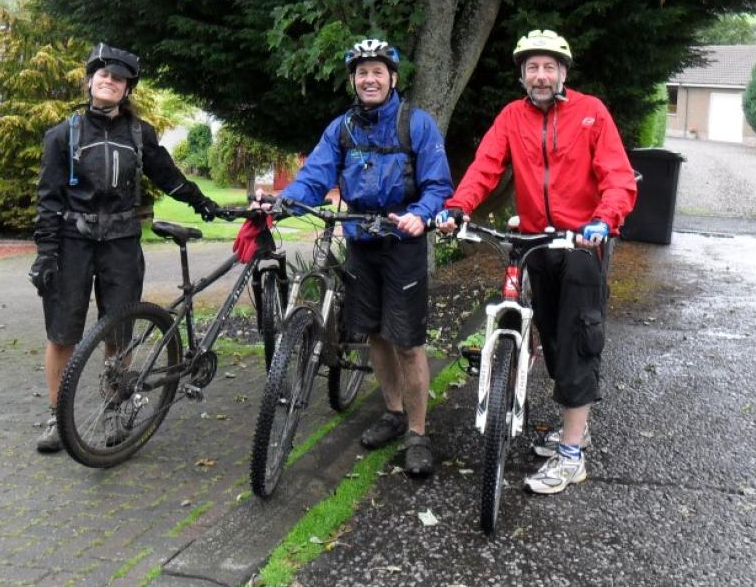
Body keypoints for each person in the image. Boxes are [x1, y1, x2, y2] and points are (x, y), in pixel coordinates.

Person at [436, 29, 637, 494]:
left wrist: (604, 219)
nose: (540, 75)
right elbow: (486, 165)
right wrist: (458, 206)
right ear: (523, 76)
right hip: (533, 241)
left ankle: (572, 454)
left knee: (576, 342)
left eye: (549, 67)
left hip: (581, 243)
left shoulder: (592, 113)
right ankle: (572, 429)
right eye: (532, 67)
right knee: (548, 334)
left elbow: (618, 177)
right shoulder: (511, 117)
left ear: (563, 73)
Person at [271, 39, 453, 477]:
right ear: (353, 81)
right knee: (373, 333)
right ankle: (392, 412)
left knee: (407, 342)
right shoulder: (343, 128)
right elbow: (314, 176)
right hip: (361, 242)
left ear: (392, 78)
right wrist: (285, 203)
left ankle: (417, 431)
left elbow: (438, 185)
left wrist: (420, 215)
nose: (369, 79)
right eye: (361, 72)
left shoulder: (417, 124)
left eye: (377, 71)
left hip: (402, 242)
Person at [31, 43, 221, 453]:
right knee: (63, 333)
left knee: (119, 332)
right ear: (89, 82)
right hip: (72, 244)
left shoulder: (139, 133)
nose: (109, 81)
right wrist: (45, 252)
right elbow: (48, 198)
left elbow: (168, 174)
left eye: (118, 78)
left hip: (121, 243)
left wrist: (200, 200)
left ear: (126, 89)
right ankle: (55, 417)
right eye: (103, 75)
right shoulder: (63, 134)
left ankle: (115, 408)